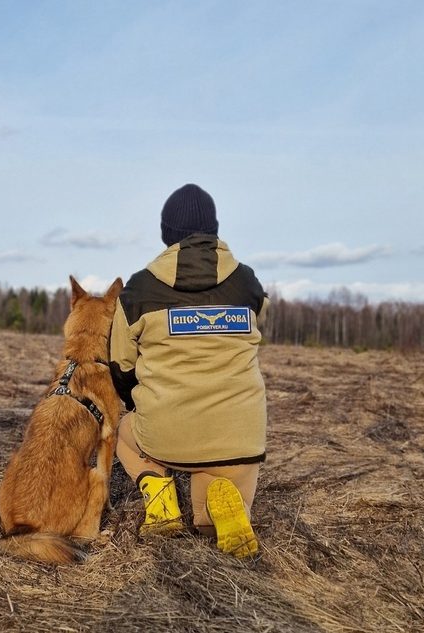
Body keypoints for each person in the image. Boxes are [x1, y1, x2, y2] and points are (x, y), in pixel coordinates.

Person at [109, 183, 269, 559]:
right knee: (218, 484)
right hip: (240, 436)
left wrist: (139, 401)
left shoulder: (139, 288)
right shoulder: (247, 282)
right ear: (215, 229)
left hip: (166, 431)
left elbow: (120, 364)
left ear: (167, 235)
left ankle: (161, 498)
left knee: (126, 435)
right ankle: (216, 507)